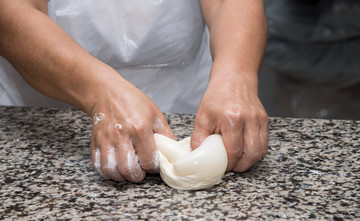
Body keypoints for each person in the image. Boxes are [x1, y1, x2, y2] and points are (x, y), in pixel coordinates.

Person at [0, 0, 269, 182]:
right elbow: (13, 10)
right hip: (48, 110)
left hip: (187, 101)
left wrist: (236, 75)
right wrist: (100, 93)